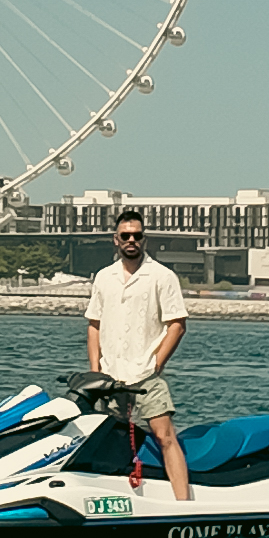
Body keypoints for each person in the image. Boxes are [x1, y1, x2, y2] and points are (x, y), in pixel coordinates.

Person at [85, 207, 191, 500]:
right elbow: (94, 325)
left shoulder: (162, 276)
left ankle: (184, 505)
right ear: (115, 240)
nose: (131, 240)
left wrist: (155, 364)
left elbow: (177, 325)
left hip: (145, 374)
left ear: (145, 239)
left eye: (137, 235)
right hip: (108, 377)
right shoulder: (104, 277)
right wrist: (96, 371)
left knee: (165, 436)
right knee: (104, 439)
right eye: (125, 236)